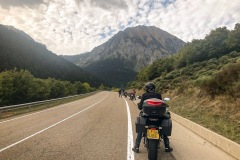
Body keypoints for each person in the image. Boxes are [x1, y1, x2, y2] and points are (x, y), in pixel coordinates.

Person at [132, 82, 173, 153]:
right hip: (158, 117)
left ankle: (136, 147)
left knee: (141, 130)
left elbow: (140, 107)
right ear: (154, 88)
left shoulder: (144, 95)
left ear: (147, 89)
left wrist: (139, 104)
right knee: (163, 129)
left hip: (147, 117)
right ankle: (167, 146)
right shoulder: (158, 95)